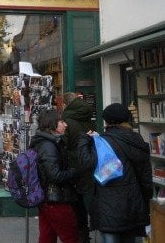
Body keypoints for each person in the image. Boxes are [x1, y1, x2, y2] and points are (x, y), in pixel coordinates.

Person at [78, 103, 153, 243]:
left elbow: (85, 164)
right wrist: (145, 202)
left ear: (107, 121)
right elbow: (145, 176)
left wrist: (83, 141)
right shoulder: (137, 140)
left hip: (108, 205)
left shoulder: (103, 142)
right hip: (132, 204)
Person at [29, 109, 79, 243]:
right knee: (71, 237)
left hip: (47, 198)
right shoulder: (48, 145)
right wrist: (75, 171)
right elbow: (55, 175)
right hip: (56, 198)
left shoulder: (46, 142)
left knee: (47, 236)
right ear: (52, 124)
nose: (65, 125)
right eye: (62, 121)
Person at [62, 92, 95, 243]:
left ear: (65, 104)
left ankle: (79, 236)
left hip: (73, 166)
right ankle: (85, 233)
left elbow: (64, 144)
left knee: (75, 203)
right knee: (84, 199)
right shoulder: (88, 118)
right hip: (88, 163)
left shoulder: (67, 121)